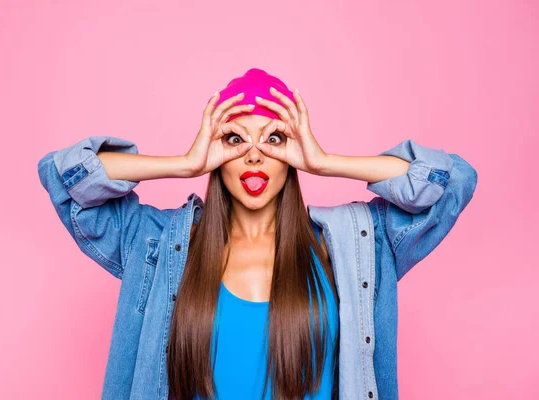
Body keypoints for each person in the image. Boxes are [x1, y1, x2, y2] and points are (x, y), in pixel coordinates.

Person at [37, 68, 478, 400]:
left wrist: (324, 161)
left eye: (274, 139)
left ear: (293, 154)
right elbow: (66, 176)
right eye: (234, 140)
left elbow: (449, 181)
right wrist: (184, 163)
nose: (254, 156)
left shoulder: (354, 247)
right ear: (215, 155)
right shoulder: (158, 245)